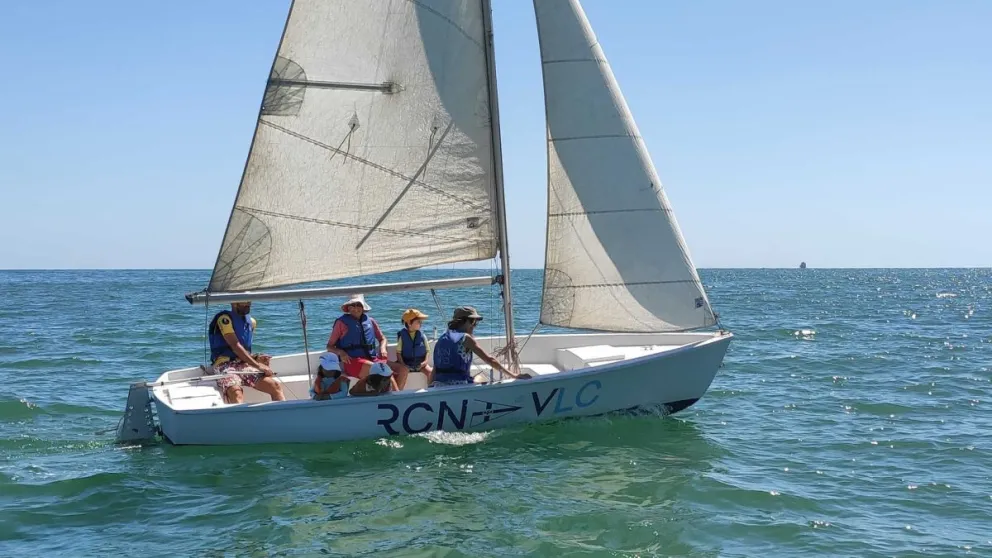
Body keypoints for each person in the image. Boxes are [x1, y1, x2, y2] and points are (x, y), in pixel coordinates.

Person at [431, 306, 531, 386]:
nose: (474, 326)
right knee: (481, 377)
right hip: (459, 385)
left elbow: (435, 369)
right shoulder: (465, 338)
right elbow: (489, 360)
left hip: (439, 385)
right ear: (466, 321)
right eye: (474, 322)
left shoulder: (442, 338)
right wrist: (514, 375)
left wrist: (430, 388)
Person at [208, 301, 285, 404]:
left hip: (244, 364)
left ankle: (282, 417)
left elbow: (243, 349)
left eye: (249, 301)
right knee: (236, 392)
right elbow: (235, 346)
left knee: (275, 386)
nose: (248, 304)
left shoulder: (251, 322)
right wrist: (258, 366)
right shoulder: (224, 320)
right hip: (224, 365)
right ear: (234, 303)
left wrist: (255, 357)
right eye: (244, 301)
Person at [326, 294, 394, 395]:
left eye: (358, 305)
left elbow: (382, 338)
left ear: (363, 307)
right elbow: (329, 346)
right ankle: (394, 399)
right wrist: (341, 352)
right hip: (353, 361)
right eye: (352, 305)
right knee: (386, 374)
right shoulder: (341, 323)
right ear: (348, 308)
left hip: (373, 359)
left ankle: (396, 396)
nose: (355, 308)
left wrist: (383, 348)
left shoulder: (370, 321)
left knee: (402, 370)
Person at [392, 308, 432, 389]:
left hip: (420, 364)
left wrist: (424, 362)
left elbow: (428, 351)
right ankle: (398, 393)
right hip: (406, 363)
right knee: (398, 373)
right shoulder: (402, 337)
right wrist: (403, 365)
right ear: (409, 323)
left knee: (430, 372)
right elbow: (398, 353)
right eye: (418, 322)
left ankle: (431, 390)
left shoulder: (422, 336)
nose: (421, 324)